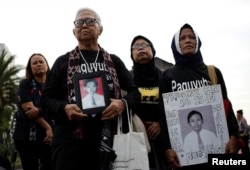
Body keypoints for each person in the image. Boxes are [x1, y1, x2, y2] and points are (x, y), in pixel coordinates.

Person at [40, 7, 140, 170]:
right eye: (79, 22)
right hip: (70, 142)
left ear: (100, 29)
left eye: (90, 21)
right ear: (74, 31)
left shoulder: (114, 61)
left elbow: (135, 93)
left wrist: (122, 104)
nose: (84, 25)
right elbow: (45, 101)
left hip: (108, 140)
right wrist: (64, 108)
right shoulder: (62, 62)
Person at [158, 23, 239, 169]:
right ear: (176, 44)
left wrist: (234, 136)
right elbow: (164, 116)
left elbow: (226, 105)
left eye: (192, 37)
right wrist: (166, 148)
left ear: (198, 42)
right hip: (184, 157)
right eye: (182, 38)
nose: (188, 40)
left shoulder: (213, 72)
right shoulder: (167, 77)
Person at [130, 35, 169, 169]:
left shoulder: (166, 77)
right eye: (135, 47)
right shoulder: (126, 79)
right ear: (132, 54)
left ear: (153, 50)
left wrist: (160, 123)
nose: (140, 48)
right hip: (136, 140)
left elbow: (174, 107)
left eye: (145, 45)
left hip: (164, 140)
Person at [12, 53, 53, 170]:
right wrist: (48, 128)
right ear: (30, 68)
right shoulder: (25, 84)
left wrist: (40, 110)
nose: (38, 64)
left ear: (46, 65)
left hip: (50, 137)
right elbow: (30, 111)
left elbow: (58, 108)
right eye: (34, 63)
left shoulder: (53, 86)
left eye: (41, 62)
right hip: (26, 137)